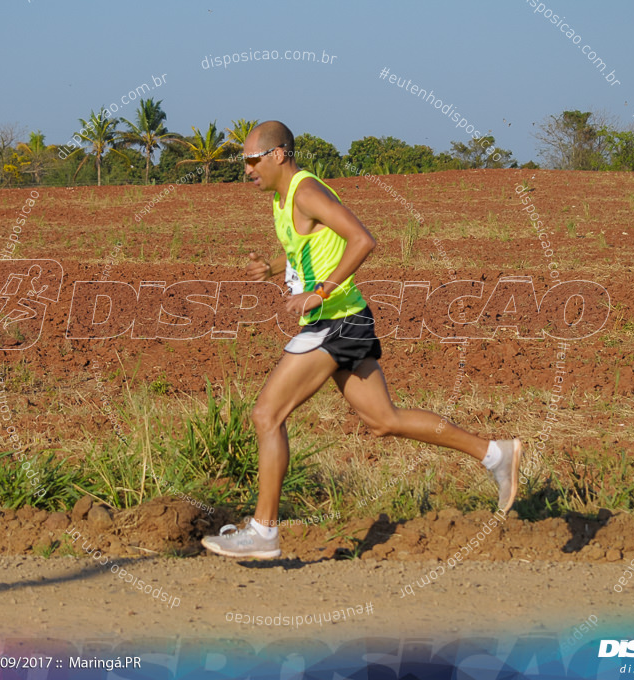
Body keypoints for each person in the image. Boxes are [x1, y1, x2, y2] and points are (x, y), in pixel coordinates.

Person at [201, 121, 522, 559]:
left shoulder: (305, 191)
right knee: (383, 420)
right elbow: (308, 244)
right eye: (244, 162)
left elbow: (362, 239)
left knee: (266, 415)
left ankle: (263, 531)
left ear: (278, 154)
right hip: (345, 322)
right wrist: (273, 269)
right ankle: (494, 454)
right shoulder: (283, 199)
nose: (246, 170)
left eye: (252, 160)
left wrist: (321, 291)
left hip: (335, 321)